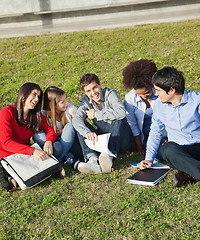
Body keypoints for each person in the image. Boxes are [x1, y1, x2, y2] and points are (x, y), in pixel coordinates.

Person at [137, 66, 200, 187]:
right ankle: (191, 171)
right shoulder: (160, 106)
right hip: (178, 151)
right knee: (167, 149)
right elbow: (155, 132)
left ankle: (189, 174)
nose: (156, 94)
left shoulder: (197, 101)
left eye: (158, 90)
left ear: (171, 90)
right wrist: (148, 159)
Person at [0, 82, 65, 192]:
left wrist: (48, 141)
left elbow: (50, 131)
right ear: (24, 94)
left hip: (25, 153)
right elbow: (6, 142)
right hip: (6, 154)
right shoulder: (7, 112)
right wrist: (32, 150)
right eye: (34, 94)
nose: (36, 99)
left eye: (38, 97)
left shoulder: (35, 115)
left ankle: (48, 170)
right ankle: (11, 178)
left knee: (39, 159)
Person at [72, 73, 135, 174]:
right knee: (81, 125)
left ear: (100, 85)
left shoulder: (110, 94)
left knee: (117, 118)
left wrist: (98, 114)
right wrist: (86, 132)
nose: (93, 93)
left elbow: (121, 112)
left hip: (122, 139)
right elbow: (76, 119)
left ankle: (109, 155)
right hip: (104, 137)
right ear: (85, 92)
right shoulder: (85, 102)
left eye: (95, 87)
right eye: (88, 91)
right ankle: (92, 160)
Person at [33, 86, 81, 169]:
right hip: (54, 144)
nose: (66, 102)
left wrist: (63, 131)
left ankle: (58, 158)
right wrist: (49, 140)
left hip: (71, 142)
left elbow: (81, 125)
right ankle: (66, 156)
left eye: (66, 99)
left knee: (69, 126)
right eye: (62, 102)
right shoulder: (44, 114)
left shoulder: (70, 109)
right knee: (37, 135)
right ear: (53, 105)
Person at [122, 59, 158, 155]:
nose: (143, 97)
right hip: (147, 136)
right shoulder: (130, 99)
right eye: (140, 95)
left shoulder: (160, 91)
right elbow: (133, 125)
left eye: (146, 93)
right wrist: (140, 148)